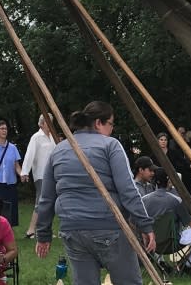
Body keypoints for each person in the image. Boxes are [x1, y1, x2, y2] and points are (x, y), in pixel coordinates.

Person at [35, 101, 156, 285]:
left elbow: (46, 198)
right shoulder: (110, 145)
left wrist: (43, 234)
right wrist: (145, 225)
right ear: (99, 123)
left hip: (72, 229)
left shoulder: (59, 150)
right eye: (111, 124)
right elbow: (128, 191)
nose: (112, 129)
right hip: (109, 226)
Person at [142, 167, 191, 276]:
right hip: (172, 241)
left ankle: (160, 263)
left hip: (151, 242)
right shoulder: (175, 200)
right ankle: (187, 265)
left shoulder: (143, 200)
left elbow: (137, 223)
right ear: (169, 180)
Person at [20, 113, 56, 239]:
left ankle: (46, 230)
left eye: (51, 121)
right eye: (48, 121)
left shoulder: (53, 137)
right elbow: (30, 154)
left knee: (50, 202)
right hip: (40, 174)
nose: (51, 123)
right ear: (41, 123)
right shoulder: (36, 137)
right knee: (40, 201)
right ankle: (31, 230)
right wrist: (24, 172)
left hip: (53, 174)